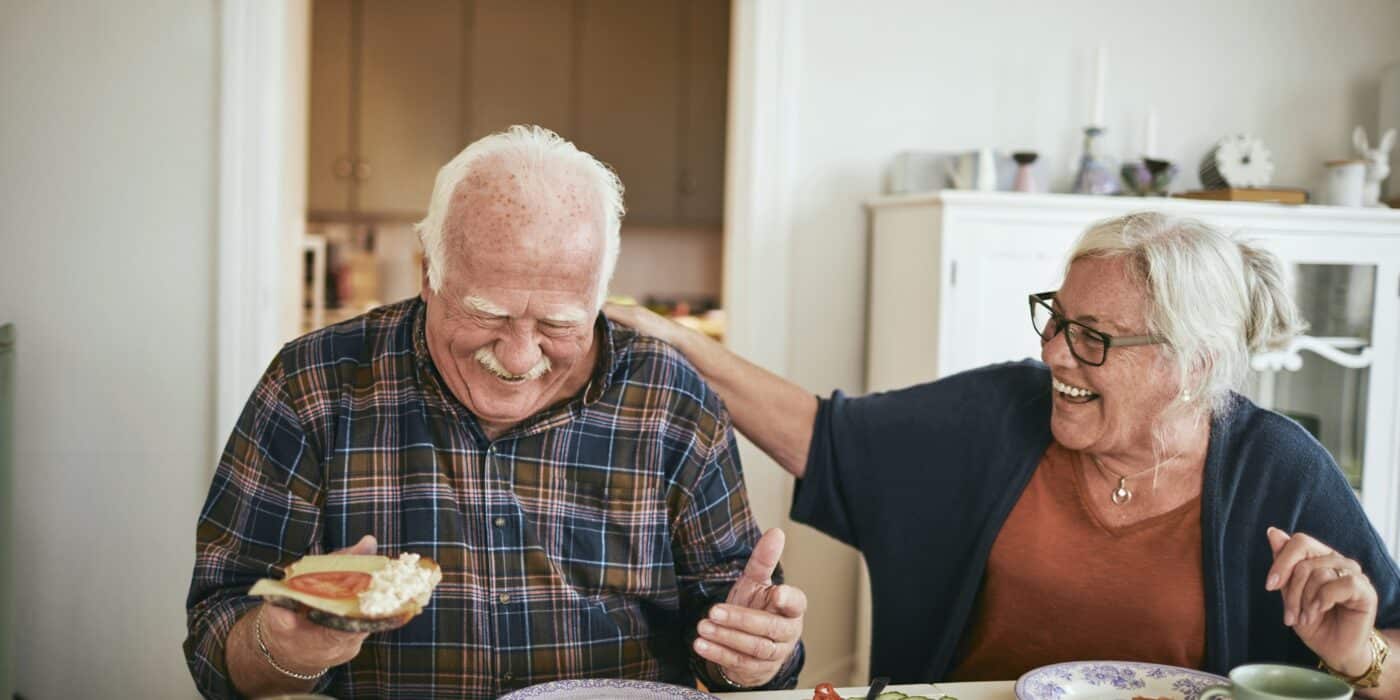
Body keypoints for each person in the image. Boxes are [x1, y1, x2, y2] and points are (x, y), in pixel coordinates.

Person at [607, 212, 1400, 695]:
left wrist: (1356, 653)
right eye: (1055, 318)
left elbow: (1387, 655)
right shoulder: (1000, 414)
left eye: (1093, 338)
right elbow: (823, 436)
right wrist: (676, 339)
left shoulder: (1277, 468)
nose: (1056, 353)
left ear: (1191, 364)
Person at [184, 125, 805, 699]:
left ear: (600, 295)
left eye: (559, 324)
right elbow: (217, 643)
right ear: (428, 273)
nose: (518, 355)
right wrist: (286, 649)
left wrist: (752, 657)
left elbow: (733, 638)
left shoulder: (672, 400)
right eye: (487, 314)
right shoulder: (314, 384)